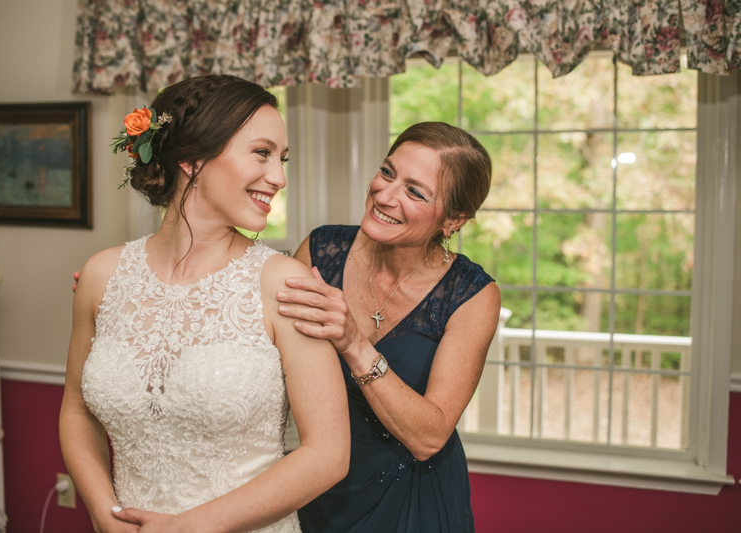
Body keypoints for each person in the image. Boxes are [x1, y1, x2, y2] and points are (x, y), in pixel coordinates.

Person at [59, 75, 350, 533]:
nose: (279, 177)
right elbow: (76, 412)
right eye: (262, 152)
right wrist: (104, 512)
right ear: (192, 159)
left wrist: (186, 528)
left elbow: (328, 455)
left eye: (282, 158)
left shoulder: (283, 284)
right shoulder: (101, 275)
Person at [276, 122, 500, 532]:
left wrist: (353, 343)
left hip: (415, 498)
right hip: (319, 485)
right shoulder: (320, 251)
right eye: (387, 172)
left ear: (454, 220)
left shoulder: (472, 296)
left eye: (415, 191)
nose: (385, 194)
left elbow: (429, 438)